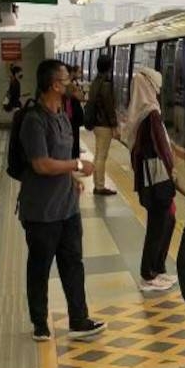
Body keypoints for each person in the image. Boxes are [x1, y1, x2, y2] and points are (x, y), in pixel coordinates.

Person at [19, 60, 107, 342]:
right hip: (41, 211)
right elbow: (42, 164)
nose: (72, 83)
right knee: (40, 267)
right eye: (67, 79)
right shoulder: (34, 120)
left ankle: (79, 320)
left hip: (67, 208)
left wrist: (71, 179)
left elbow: (58, 160)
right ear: (55, 85)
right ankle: (40, 322)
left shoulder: (63, 118)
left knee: (73, 264)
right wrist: (77, 166)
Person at [126, 68, 178, 293]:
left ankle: (157, 269)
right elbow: (163, 149)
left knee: (165, 222)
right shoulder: (151, 113)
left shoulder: (140, 111)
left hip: (150, 179)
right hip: (157, 179)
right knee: (158, 225)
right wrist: (172, 170)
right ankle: (148, 274)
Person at [89, 55, 118, 196]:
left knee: (98, 154)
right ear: (109, 67)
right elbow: (109, 107)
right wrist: (114, 125)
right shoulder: (106, 83)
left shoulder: (95, 81)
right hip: (104, 124)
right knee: (101, 156)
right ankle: (99, 186)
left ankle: (97, 184)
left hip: (96, 123)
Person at [63, 64, 86, 159]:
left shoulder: (69, 85)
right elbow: (81, 97)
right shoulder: (70, 86)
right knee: (73, 140)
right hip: (71, 117)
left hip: (68, 117)